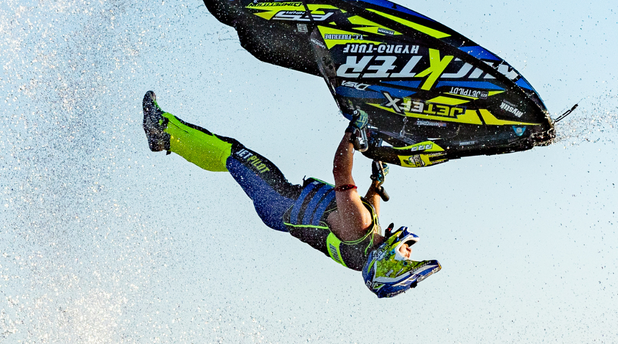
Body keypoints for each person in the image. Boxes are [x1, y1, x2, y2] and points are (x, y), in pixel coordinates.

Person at [142, 92, 440, 297]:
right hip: (281, 208)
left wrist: (353, 130)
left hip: (278, 199)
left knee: (231, 152)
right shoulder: (363, 244)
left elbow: (341, 174)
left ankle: (162, 131)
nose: (409, 250)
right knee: (229, 160)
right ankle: (166, 138)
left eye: (405, 256)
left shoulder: (358, 229)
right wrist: (378, 180)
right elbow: (368, 209)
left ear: (387, 261)